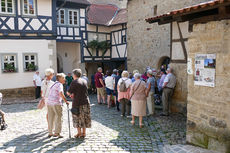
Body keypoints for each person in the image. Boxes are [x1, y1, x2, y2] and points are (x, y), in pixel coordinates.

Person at [67, 69, 91, 138]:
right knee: (84, 117)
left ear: (74, 75)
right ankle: (84, 133)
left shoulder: (74, 82)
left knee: (77, 118)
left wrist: (70, 94)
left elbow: (69, 92)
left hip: (77, 102)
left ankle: (79, 133)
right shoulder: (84, 81)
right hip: (85, 101)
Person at [47, 73, 69, 138]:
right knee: (59, 117)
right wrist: (66, 101)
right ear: (59, 78)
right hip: (56, 103)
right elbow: (61, 93)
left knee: (51, 118)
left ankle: (50, 132)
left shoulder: (54, 84)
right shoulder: (59, 84)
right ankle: (57, 133)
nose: (64, 79)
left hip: (49, 103)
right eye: (63, 78)